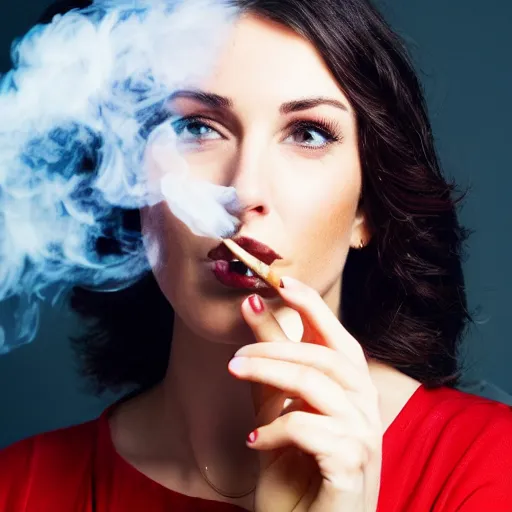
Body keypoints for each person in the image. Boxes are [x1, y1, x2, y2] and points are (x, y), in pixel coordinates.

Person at [1, 0, 512, 511]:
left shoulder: (490, 468)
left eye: (307, 133)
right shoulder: (19, 488)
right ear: (132, 185)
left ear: (366, 210)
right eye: (197, 127)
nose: (244, 191)